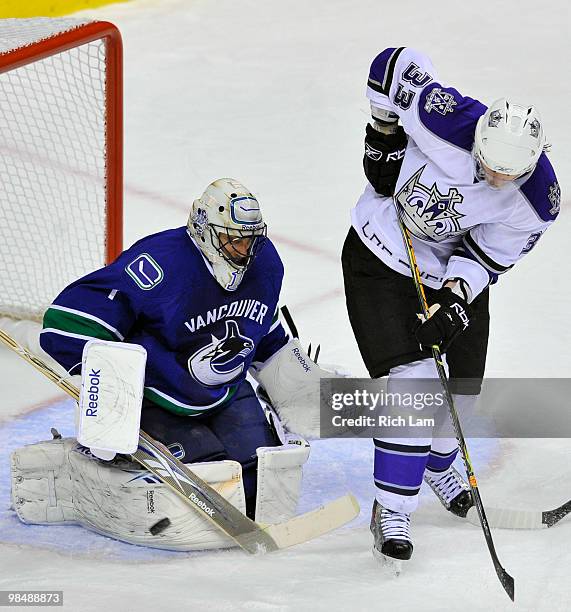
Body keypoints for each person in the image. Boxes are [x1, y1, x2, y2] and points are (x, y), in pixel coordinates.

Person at [11, 178, 330, 551]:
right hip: (158, 398)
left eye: (251, 239)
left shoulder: (265, 263)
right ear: (205, 231)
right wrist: (105, 398)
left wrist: (295, 379)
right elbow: (69, 323)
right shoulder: (159, 264)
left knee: (264, 476)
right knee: (208, 480)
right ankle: (79, 467)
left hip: (225, 393)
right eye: (235, 239)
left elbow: (264, 327)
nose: (245, 250)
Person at [341, 48, 560, 566]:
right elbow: (390, 64)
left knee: (463, 389)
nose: (496, 178)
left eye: (509, 173)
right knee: (414, 387)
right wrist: (384, 132)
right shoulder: (448, 118)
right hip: (377, 255)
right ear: (478, 141)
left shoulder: (538, 199)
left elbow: (488, 254)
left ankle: (441, 466)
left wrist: (455, 298)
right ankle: (393, 509)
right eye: (488, 165)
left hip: (445, 269)